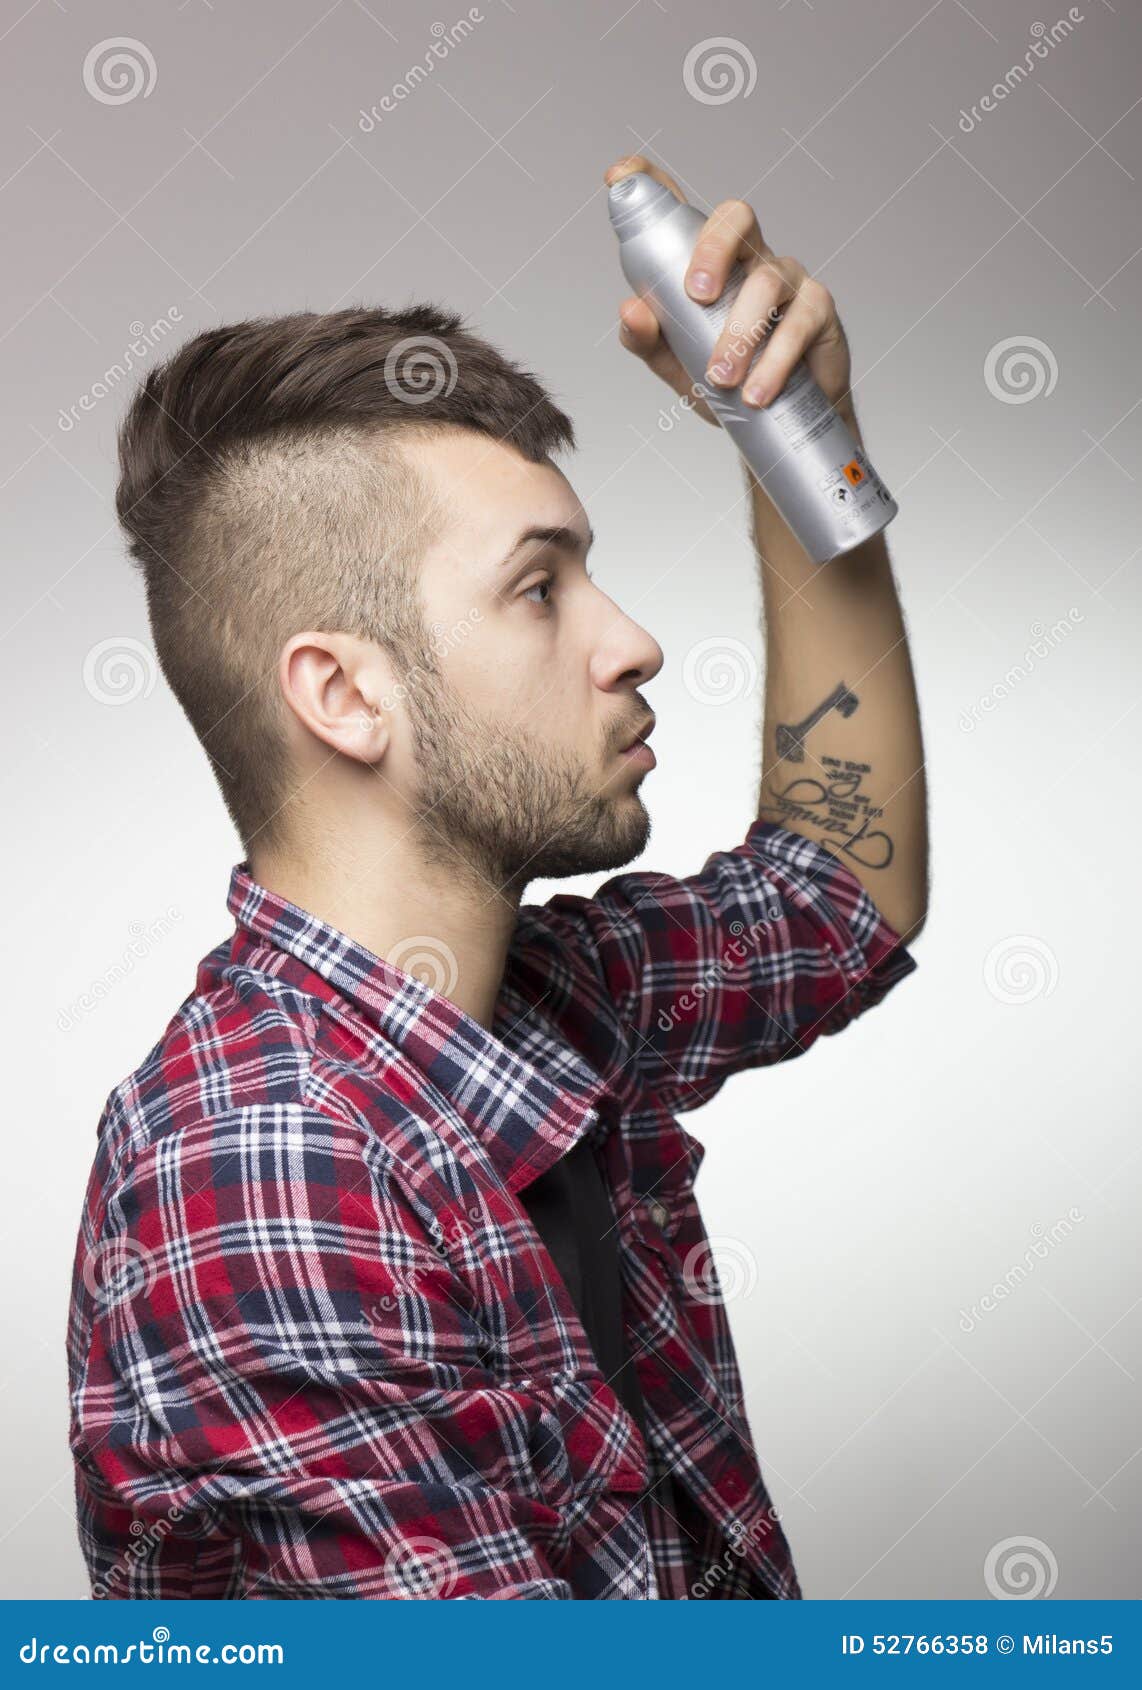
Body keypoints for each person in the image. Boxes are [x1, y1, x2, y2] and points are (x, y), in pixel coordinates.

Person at [68, 154, 927, 1600]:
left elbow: (837, 892)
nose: (632, 639)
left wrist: (795, 440)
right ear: (344, 696)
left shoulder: (544, 1004)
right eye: (540, 586)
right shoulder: (269, 1169)